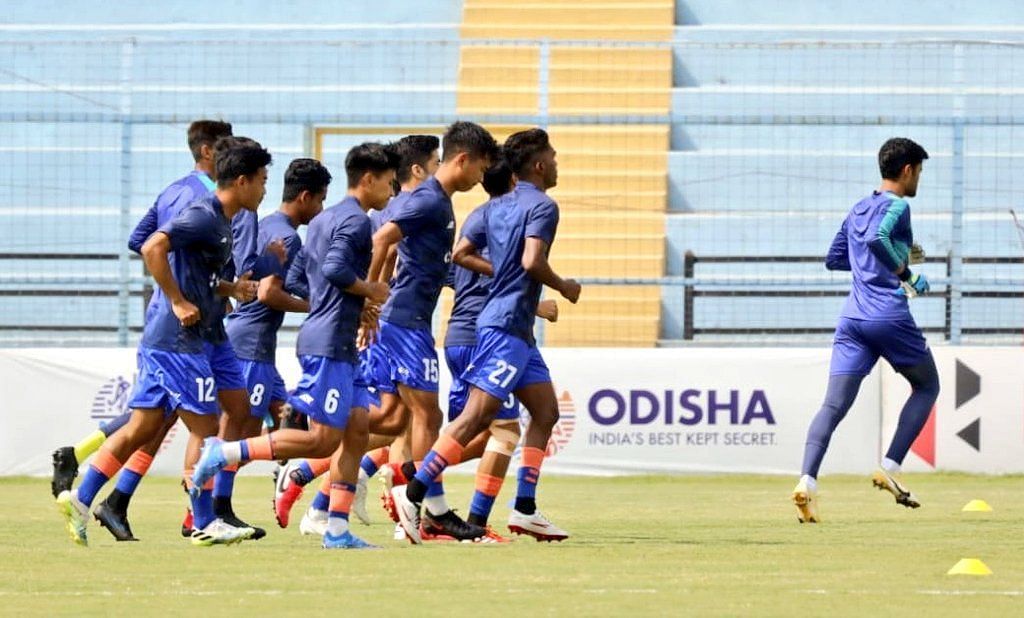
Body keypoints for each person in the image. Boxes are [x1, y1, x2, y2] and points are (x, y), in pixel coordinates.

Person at [56, 136, 273, 546]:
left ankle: (82, 499)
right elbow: (153, 245)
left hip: (208, 332)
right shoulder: (204, 215)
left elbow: (200, 276)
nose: (265, 188)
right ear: (242, 181)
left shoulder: (224, 219)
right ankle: (204, 520)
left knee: (158, 423)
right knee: (206, 426)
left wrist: (231, 288)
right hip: (178, 338)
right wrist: (175, 300)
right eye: (262, 180)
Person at [190, 143, 398, 549]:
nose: (391, 192)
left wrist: (357, 307)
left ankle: (335, 529)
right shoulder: (356, 223)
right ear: (368, 180)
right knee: (323, 440)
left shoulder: (324, 221)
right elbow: (335, 271)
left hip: (335, 338)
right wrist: (369, 289)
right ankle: (222, 454)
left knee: (356, 431)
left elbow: (312, 280)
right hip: (328, 344)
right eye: (389, 183)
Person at [390, 128, 581, 544]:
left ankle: (525, 508)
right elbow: (533, 260)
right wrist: (563, 285)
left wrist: (502, 276)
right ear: (538, 165)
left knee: (546, 413)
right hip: (505, 327)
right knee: (477, 418)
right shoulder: (543, 206)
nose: (556, 163)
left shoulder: (491, 209)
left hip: (514, 329)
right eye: (553, 156)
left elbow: (460, 255)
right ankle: (414, 491)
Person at [792, 137, 938, 524]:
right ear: (907, 170)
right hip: (887, 316)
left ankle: (806, 481)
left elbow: (836, 258)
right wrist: (906, 273)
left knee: (833, 405)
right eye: (919, 172)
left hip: (852, 320)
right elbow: (879, 238)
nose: (919, 180)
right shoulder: (898, 205)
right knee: (927, 386)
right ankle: (889, 465)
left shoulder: (858, 207)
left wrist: (886, 260)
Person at [366, 121, 498, 542]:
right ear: (463, 160)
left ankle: (328, 468)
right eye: (480, 167)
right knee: (427, 414)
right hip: (405, 322)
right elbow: (383, 238)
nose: (482, 177)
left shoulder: (440, 201)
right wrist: (370, 296)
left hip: (409, 319)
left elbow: (409, 255)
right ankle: (431, 509)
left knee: (399, 418)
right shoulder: (428, 201)